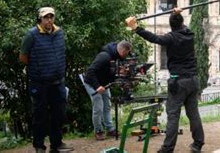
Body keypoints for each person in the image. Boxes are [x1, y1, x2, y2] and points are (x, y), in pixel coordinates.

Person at [125, 8, 204, 153]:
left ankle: (167, 149)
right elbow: (180, 25)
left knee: (173, 115)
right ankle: (198, 144)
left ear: (171, 25)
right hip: (193, 79)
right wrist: (176, 13)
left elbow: (155, 38)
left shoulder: (171, 37)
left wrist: (135, 28)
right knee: (193, 113)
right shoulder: (190, 34)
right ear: (182, 22)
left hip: (178, 82)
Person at [19, 7, 74, 153]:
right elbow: (23, 57)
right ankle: (39, 146)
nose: (49, 20)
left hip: (58, 83)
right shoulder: (31, 35)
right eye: (46, 17)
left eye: (51, 17)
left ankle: (56, 144)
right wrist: (38, 69)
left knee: (59, 115)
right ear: (40, 19)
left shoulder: (59, 32)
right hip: (40, 84)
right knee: (40, 116)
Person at [83, 41, 132, 140]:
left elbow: (110, 73)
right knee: (98, 107)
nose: (127, 55)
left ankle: (110, 129)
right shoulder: (104, 56)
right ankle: (98, 131)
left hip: (103, 83)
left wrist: (121, 73)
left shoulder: (116, 57)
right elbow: (90, 71)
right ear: (122, 50)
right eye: (127, 53)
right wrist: (97, 86)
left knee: (107, 106)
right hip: (92, 83)